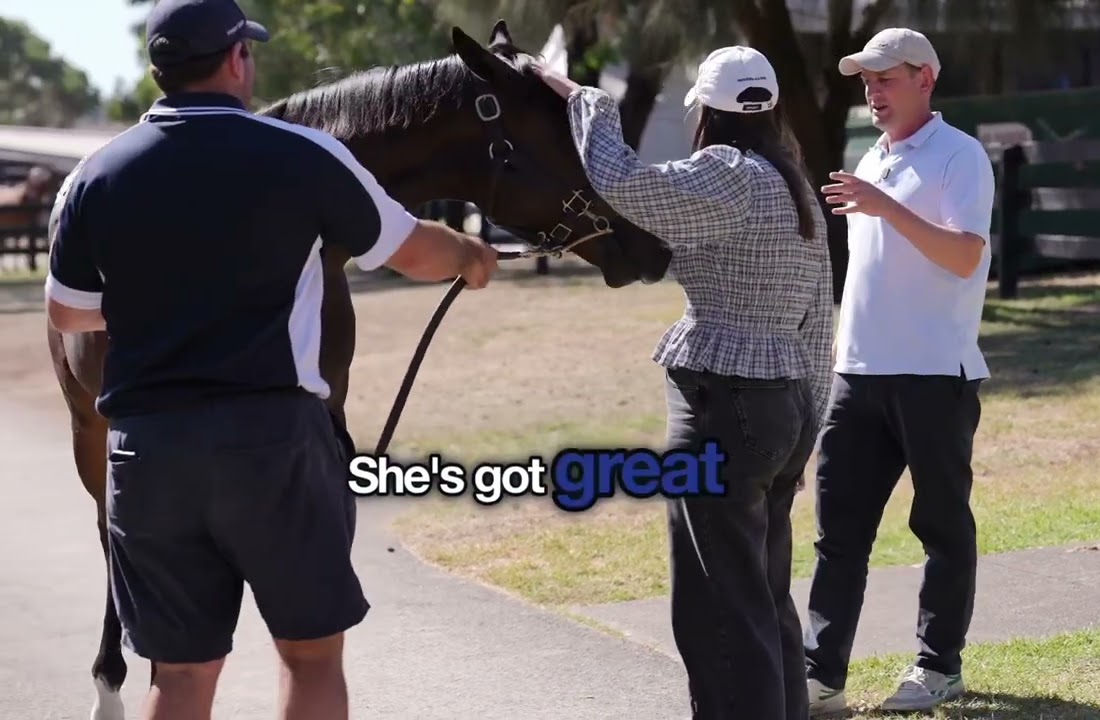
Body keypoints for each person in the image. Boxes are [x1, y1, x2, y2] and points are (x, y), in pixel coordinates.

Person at [42, 0, 498, 718]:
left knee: (180, 675)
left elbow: (68, 313)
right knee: (311, 658)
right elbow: (410, 249)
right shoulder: (301, 155)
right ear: (235, 60)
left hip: (150, 451)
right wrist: (469, 253)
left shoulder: (99, 175)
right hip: (273, 445)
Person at [534, 46, 833, 720]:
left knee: (720, 607)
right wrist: (806, 427)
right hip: (784, 408)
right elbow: (820, 315)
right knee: (764, 595)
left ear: (707, 113)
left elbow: (625, 183)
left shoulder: (724, 174)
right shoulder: (793, 184)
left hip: (722, 408)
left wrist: (586, 99)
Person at [801, 27, 995, 716]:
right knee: (837, 532)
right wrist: (837, 349)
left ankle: (939, 667)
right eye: (866, 81)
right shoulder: (871, 159)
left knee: (942, 528)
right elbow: (871, 274)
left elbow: (966, 256)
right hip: (859, 374)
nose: (872, 91)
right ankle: (819, 676)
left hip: (934, 375)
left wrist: (886, 206)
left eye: (886, 78)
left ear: (926, 80)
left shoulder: (959, 157)